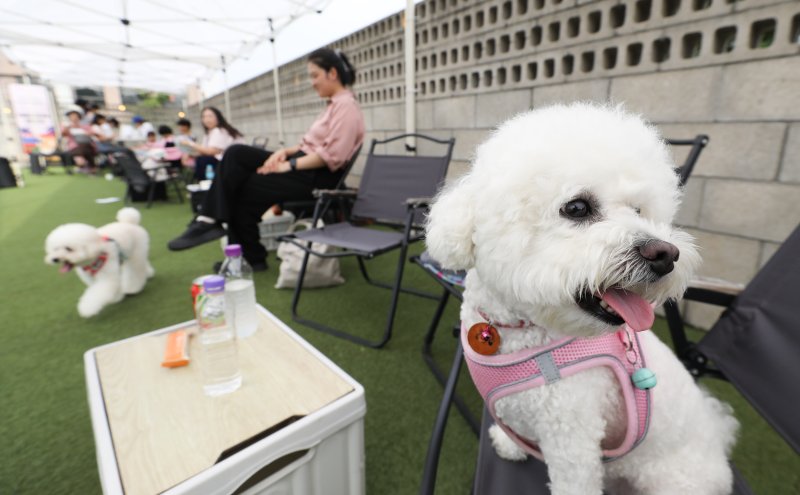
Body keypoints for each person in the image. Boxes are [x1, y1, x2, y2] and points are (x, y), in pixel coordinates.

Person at [168, 48, 365, 271]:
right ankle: (222, 231)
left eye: (314, 75)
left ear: (332, 73)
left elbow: (332, 156)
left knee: (240, 185)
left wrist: (287, 165)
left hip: (318, 176)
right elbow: (311, 144)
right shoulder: (335, 105)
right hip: (305, 166)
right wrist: (285, 153)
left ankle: (228, 238)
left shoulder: (346, 107)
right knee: (237, 154)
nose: (311, 82)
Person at [183, 107, 244, 181]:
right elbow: (204, 151)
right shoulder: (209, 132)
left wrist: (190, 143)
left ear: (218, 118)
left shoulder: (219, 131)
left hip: (233, 163)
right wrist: (189, 155)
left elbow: (211, 151)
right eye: (204, 117)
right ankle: (203, 186)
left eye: (210, 116)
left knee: (203, 160)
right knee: (201, 159)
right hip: (225, 162)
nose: (207, 119)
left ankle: (205, 187)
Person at [61, 107, 97, 173]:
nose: (73, 117)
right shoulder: (67, 126)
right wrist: (68, 127)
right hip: (75, 147)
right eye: (71, 116)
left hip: (88, 146)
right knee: (81, 156)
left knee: (85, 148)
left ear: (79, 116)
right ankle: (86, 165)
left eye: (75, 115)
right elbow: (63, 134)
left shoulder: (85, 125)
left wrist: (83, 131)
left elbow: (92, 133)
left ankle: (88, 166)